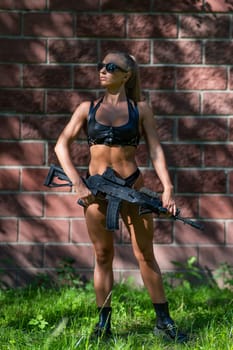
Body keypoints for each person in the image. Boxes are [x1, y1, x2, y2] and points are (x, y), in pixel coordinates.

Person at [54, 51, 188, 343]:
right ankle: (103, 325)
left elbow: (155, 150)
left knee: (145, 255)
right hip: (97, 191)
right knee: (102, 256)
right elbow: (61, 145)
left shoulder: (141, 110)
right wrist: (78, 183)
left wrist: (167, 187)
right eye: (101, 65)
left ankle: (164, 322)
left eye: (111, 67)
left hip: (133, 190)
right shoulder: (86, 108)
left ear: (126, 75)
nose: (103, 70)